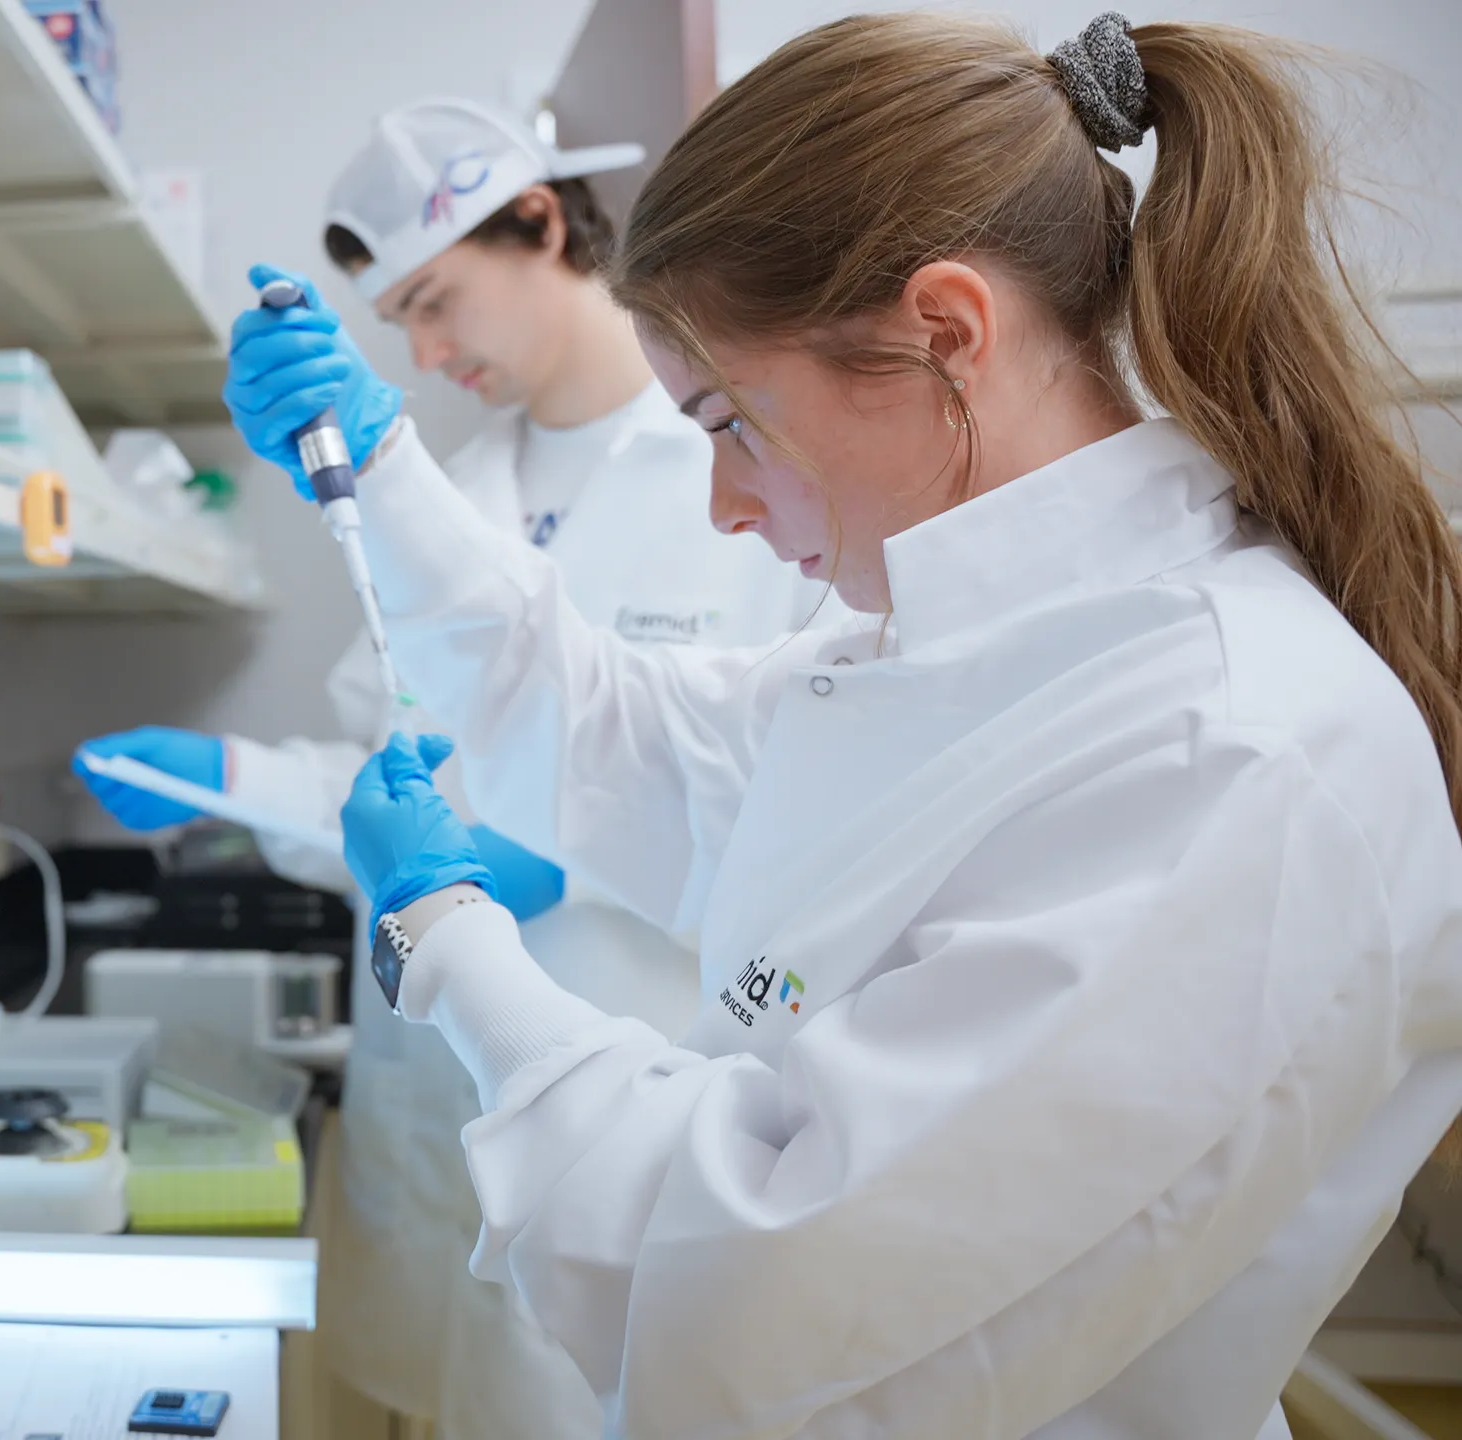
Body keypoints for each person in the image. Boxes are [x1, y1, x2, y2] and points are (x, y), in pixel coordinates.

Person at [224, 12, 1462, 1437]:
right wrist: (378, 470)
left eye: (731, 424)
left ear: (946, 334)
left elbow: (743, 1283)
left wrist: (443, 939)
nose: (725, 508)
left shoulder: (1234, 751)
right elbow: (623, 734)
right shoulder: (954, 656)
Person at [76, 101, 822, 1435]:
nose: (422, 352)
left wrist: (575, 855)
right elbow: (390, 781)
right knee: (438, 1388)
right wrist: (229, 774)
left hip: (625, 1065)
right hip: (430, 1088)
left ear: (542, 222)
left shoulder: (744, 478)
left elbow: (798, 803)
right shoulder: (455, 487)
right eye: (395, 323)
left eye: (436, 300)